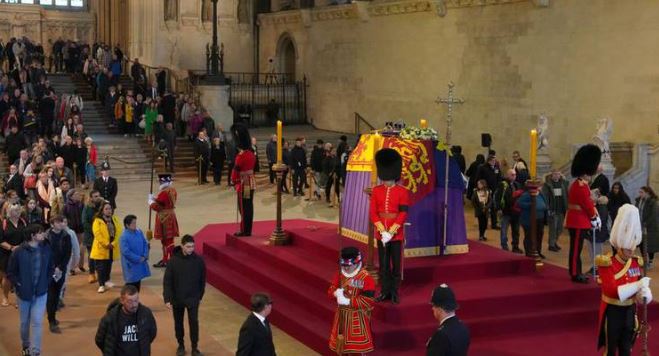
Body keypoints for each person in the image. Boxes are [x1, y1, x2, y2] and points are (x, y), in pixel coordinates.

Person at [596, 204, 652, 356]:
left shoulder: (635, 262)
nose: (631, 251)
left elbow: (639, 292)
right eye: (628, 249)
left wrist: (644, 294)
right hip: (613, 312)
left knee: (627, 349)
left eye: (633, 248)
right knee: (610, 350)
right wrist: (638, 285)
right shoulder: (606, 262)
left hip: (629, 311)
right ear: (619, 246)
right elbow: (613, 291)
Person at [369, 148, 409, 304]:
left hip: (396, 234)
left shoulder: (402, 192)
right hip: (381, 234)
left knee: (396, 265)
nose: (385, 181)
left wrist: (391, 232)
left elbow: (403, 213)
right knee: (384, 265)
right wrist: (381, 230)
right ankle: (385, 291)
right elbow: (373, 213)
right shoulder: (377, 191)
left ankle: (394, 291)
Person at [7, 224, 52, 356]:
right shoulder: (18, 252)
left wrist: (46, 281)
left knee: (37, 322)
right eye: (40, 233)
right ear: (32, 236)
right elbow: (11, 272)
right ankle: (25, 344)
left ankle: (35, 351)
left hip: (41, 293)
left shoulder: (46, 249)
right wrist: (18, 284)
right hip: (24, 294)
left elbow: (51, 267)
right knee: (24, 323)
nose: (43, 234)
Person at [164, 234, 206, 356]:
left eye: (192, 246)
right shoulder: (173, 261)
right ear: (182, 246)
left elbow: (202, 280)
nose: (191, 249)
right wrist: (167, 298)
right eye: (188, 247)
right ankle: (181, 345)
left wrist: (200, 296)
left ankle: (194, 347)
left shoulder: (199, 261)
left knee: (194, 322)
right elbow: (167, 281)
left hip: (193, 298)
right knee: (178, 323)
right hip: (177, 298)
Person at [328, 247, 376, 354]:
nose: (346, 268)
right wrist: (336, 293)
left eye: (348, 266)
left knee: (356, 351)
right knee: (341, 350)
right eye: (343, 265)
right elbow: (330, 290)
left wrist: (348, 301)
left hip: (357, 319)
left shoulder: (366, 278)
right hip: (341, 317)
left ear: (356, 262)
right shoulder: (340, 275)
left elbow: (368, 301)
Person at [565, 144, 602, 284]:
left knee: (577, 248)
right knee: (575, 250)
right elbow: (587, 204)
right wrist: (594, 217)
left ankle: (576, 271)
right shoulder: (580, 185)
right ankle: (575, 273)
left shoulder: (581, 184)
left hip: (578, 220)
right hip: (578, 221)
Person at [95, 285, 158, 356]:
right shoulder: (110, 318)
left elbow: (152, 333)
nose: (134, 305)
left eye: (136, 300)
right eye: (130, 302)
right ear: (122, 301)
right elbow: (99, 340)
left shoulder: (146, 314)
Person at [426, 284, 470, 356]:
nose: (432, 308)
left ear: (440, 309)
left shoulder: (440, 336)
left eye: (433, 305)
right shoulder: (463, 328)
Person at [45, 215, 72, 333]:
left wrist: (60, 268)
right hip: (49, 270)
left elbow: (68, 253)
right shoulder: (46, 237)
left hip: (61, 270)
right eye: (58, 222)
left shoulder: (66, 236)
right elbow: (45, 254)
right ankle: (51, 321)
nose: (61, 224)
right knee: (51, 295)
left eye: (62, 221)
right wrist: (53, 268)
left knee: (57, 294)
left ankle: (53, 316)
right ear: (52, 224)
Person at [148, 173, 179, 268]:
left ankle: (172, 260)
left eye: (160, 181)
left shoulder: (164, 192)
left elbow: (158, 207)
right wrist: (154, 198)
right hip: (170, 215)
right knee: (167, 240)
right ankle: (166, 259)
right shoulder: (172, 190)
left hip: (164, 218)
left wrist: (151, 202)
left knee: (167, 240)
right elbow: (164, 202)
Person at [90, 201, 122, 293]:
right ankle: (101, 284)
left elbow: (119, 232)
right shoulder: (97, 220)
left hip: (112, 248)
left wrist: (114, 243)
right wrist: (106, 243)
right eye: (106, 209)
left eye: (110, 209)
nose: (109, 211)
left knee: (108, 265)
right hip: (102, 248)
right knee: (101, 267)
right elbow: (97, 234)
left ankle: (107, 280)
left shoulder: (114, 219)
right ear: (102, 210)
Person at [231, 123, 256, 237]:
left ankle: (245, 230)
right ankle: (247, 229)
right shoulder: (251, 153)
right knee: (248, 206)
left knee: (243, 207)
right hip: (250, 181)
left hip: (244, 183)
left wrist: (234, 181)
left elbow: (236, 170)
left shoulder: (241, 155)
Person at [0, 203, 26, 307]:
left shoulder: (23, 222)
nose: (18, 212)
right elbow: (0, 240)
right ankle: (5, 297)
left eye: (19, 210)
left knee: (20, 276)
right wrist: (11, 247)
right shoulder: (3, 223)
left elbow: (27, 236)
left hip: (21, 252)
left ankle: (18, 298)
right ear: (9, 212)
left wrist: (22, 246)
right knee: (7, 277)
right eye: (15, 210)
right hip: (6, 254)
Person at [119, 215, 151, 292]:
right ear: (127, 225)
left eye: (135, 223)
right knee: (131, 285)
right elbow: (126, 252)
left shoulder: (139, 232)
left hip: (140, 262)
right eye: (133, 223)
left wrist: (145, 255)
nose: (135, 225)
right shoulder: (123, 237)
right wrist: (139, 258)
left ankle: (135, 299)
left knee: (137, 283)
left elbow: (144, 243)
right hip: (131, 264)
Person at [494, 169, 522, 253]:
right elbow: (498, 197)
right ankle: (504, 245)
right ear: (507, 175)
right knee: (504, 230)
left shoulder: (517, 185)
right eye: (512, 175)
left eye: (515, 175)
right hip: (506, 211)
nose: (514, 176)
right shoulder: (503, 184)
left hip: (516, 212)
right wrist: (498, 209)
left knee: (516, 230)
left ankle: (515, 246)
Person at [517, 185, 548, 258]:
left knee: (539, 236)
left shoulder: (540, 194)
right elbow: (519, 203)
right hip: (529, 219)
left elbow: (545, 203)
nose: (540, 188)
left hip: (540, 218)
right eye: (539, 186)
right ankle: (529, 253)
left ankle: (538, 251)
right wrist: (531, 205)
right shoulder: (527, 194)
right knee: (529, 236)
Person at [542, 169, 569, 252]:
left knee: (560, 228)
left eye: (558, 174)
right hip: (553, 209)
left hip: (561, 209)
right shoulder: (547, 185)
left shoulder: (563, 183)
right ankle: (551, 244)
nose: (556, 176)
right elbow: (545, 197)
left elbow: (567, 193)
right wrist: (548, 208)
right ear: (551, 175)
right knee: (553, 228)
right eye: (555, 174)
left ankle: (555, 242)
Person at [476, 155, 501, 229]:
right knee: (484, 207)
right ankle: (483, 224)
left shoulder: (496, 168)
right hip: (485, 190)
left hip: (494, 190)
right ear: (488, 160)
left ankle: (494, 224)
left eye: (494, 161)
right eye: (492, 160)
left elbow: (499, 177)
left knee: (494, 207)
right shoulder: (483, 168)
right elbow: (478, 178)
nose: (494, 162)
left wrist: (498, 187)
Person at [636, 186, 659, 268]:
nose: (640, 194)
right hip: (640, 225)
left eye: (642, 192)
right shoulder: (639, 200)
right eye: (640, 192)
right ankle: (644, 261)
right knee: (642, 243)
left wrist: (645, 223)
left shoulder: (653, 202)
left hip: (650, 227)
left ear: (647, 193)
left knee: (650, 244)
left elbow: (653, 215)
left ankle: (650, 261)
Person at [83, 191, 102, 283]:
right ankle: (91, 273)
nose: (97, 198)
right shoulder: (87, 208)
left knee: (100, 255)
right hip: (90, 235)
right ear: (90, 198)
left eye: (98, 196)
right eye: (95, 196)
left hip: (100, 236)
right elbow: (84, 222)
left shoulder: (102, 206)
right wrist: (94, 230)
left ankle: (99, 272)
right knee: (92, 255)